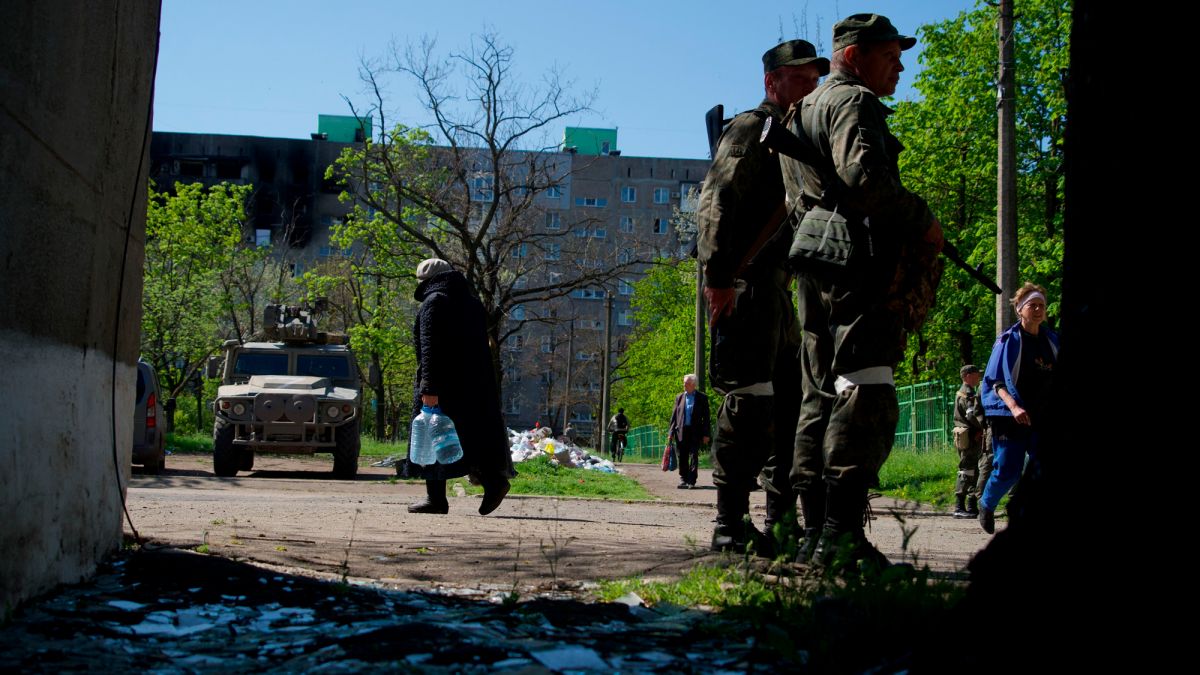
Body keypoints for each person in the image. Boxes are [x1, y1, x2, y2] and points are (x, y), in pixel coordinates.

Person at [779, 14, 945, 569]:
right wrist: (922, 218)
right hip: (855, 261)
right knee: (867, 389)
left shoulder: (802, 109)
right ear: (853, 56)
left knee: (819, 396)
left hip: (814, 261)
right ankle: (840, 537)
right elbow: (866, 180)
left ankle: (813, 532)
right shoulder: (852, 103)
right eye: (889, 55)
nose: (900, 65)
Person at [696, 39, 828, 553]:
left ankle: (781, 522)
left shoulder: (800, 136)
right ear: (772, 82)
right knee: (748, 403)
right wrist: (718, 276)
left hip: (778, 288)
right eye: (798, 78)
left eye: (815, 79)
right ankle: (729, 523)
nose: (809, 87)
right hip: (744, 284)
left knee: (788, 409)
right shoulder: (753, 127)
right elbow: (717, 198)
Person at [400, 258, 515, 516]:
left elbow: (429, 348)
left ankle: (436, 499)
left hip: (441, 385)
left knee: (433, 438)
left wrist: (428, 387)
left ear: (425, 282)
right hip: (472, 386)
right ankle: (493, 482)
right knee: (467, 439)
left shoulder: (434, 302)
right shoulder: (471, 303)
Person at [978, 282, 1058, 534]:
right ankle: (987, 504)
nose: (1038, 310)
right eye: (1032, 305)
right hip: (1009, 415)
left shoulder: (1052, 341)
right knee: (1009, 470)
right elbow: (994, 381)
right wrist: (1013, 407)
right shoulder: (1007, 341)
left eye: (1042, 306)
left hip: (1043, 416)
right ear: (1020, 310)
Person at [665, 374, 711, 489]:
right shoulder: (679, 397)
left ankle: (692, 480)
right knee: (682, 456)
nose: (683, 385)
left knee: (693, 455)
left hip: (695, 432)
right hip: (681, 431)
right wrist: (670, 433)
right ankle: (683, 479)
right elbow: (674, 417)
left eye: (686, 383)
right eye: (684, 383)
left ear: (693, 385)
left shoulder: (702, 398)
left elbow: (706, 417)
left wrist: (706, 434)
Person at [952, 365, 985, 518]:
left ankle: (971, 506)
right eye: (976, 374)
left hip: (969, 435)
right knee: (966, 470)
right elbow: (971, 415)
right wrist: (982, 428)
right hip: (970, 436)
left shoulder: (964, 392)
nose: (979, 376)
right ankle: (959, 507)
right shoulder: (967, 393)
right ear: (967, 376)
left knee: (972, 470)